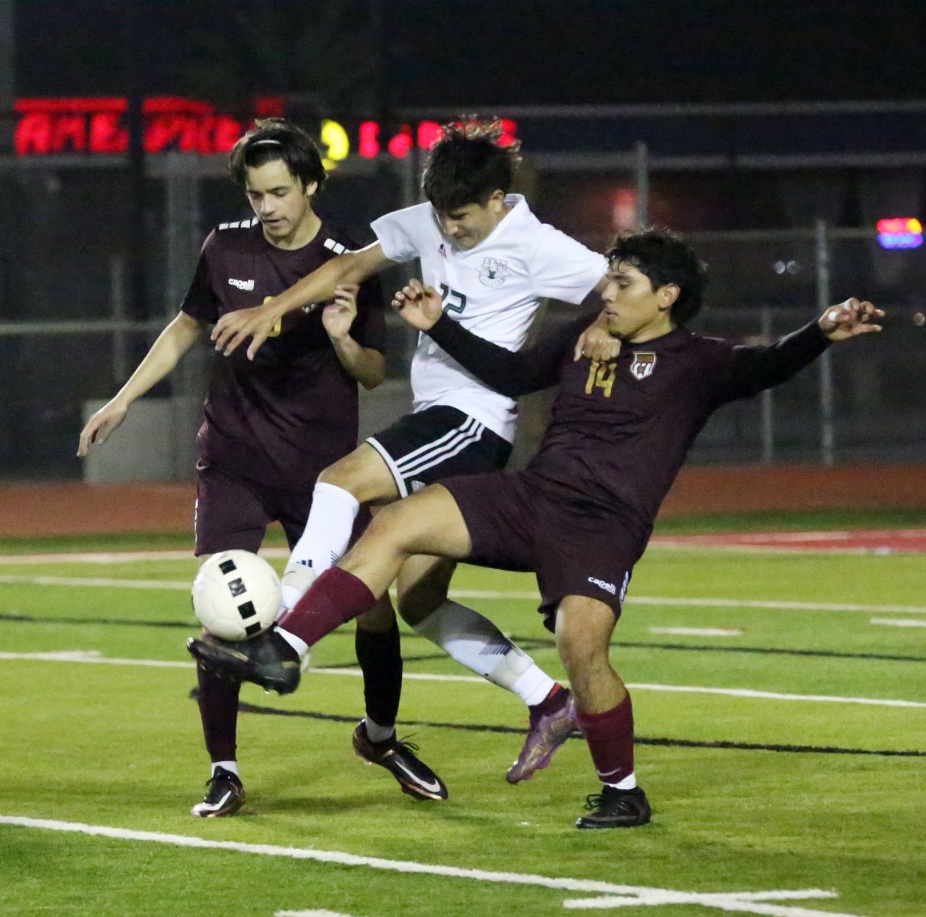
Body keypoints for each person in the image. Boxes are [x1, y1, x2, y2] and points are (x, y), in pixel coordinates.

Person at [188, 227, 885, 829]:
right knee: (395, 521)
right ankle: (284, 648)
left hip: (602, 527)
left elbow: (767, 365)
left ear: (666, 296)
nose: (606, 292)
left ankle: (623, 791)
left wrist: (821, 331)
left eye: (623, 281)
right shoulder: (584, 340)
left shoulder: (699, 361)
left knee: (581, 643)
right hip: (532, 495)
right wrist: (440, 327)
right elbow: (516, 373)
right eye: (609, 279)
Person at [197, 119, 619, 784]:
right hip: (439, 419)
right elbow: (346, 265)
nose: (448, 230)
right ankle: (549, 699)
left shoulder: (537, 244)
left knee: (338, 482)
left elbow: (618, 285)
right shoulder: (427, 219)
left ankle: (286, 628)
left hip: (472, 421)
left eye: (462, 218)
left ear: (497, 199)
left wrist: (601, 324)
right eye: (441, 216)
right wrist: (269, 308)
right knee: (417, 600)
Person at [78, 118, 440, 817]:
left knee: (373, 608)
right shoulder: (225, 245)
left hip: (326, 472)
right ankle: (224, 767)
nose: (266, 207)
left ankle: (382, 737)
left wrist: (339, 338)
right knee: (224, 606)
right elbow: (187, 324)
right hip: (235, 459)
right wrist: (126, 397)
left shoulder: (347, 263)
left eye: (279, 192)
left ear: (310, 185)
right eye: (256, 193)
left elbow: (371, 372)